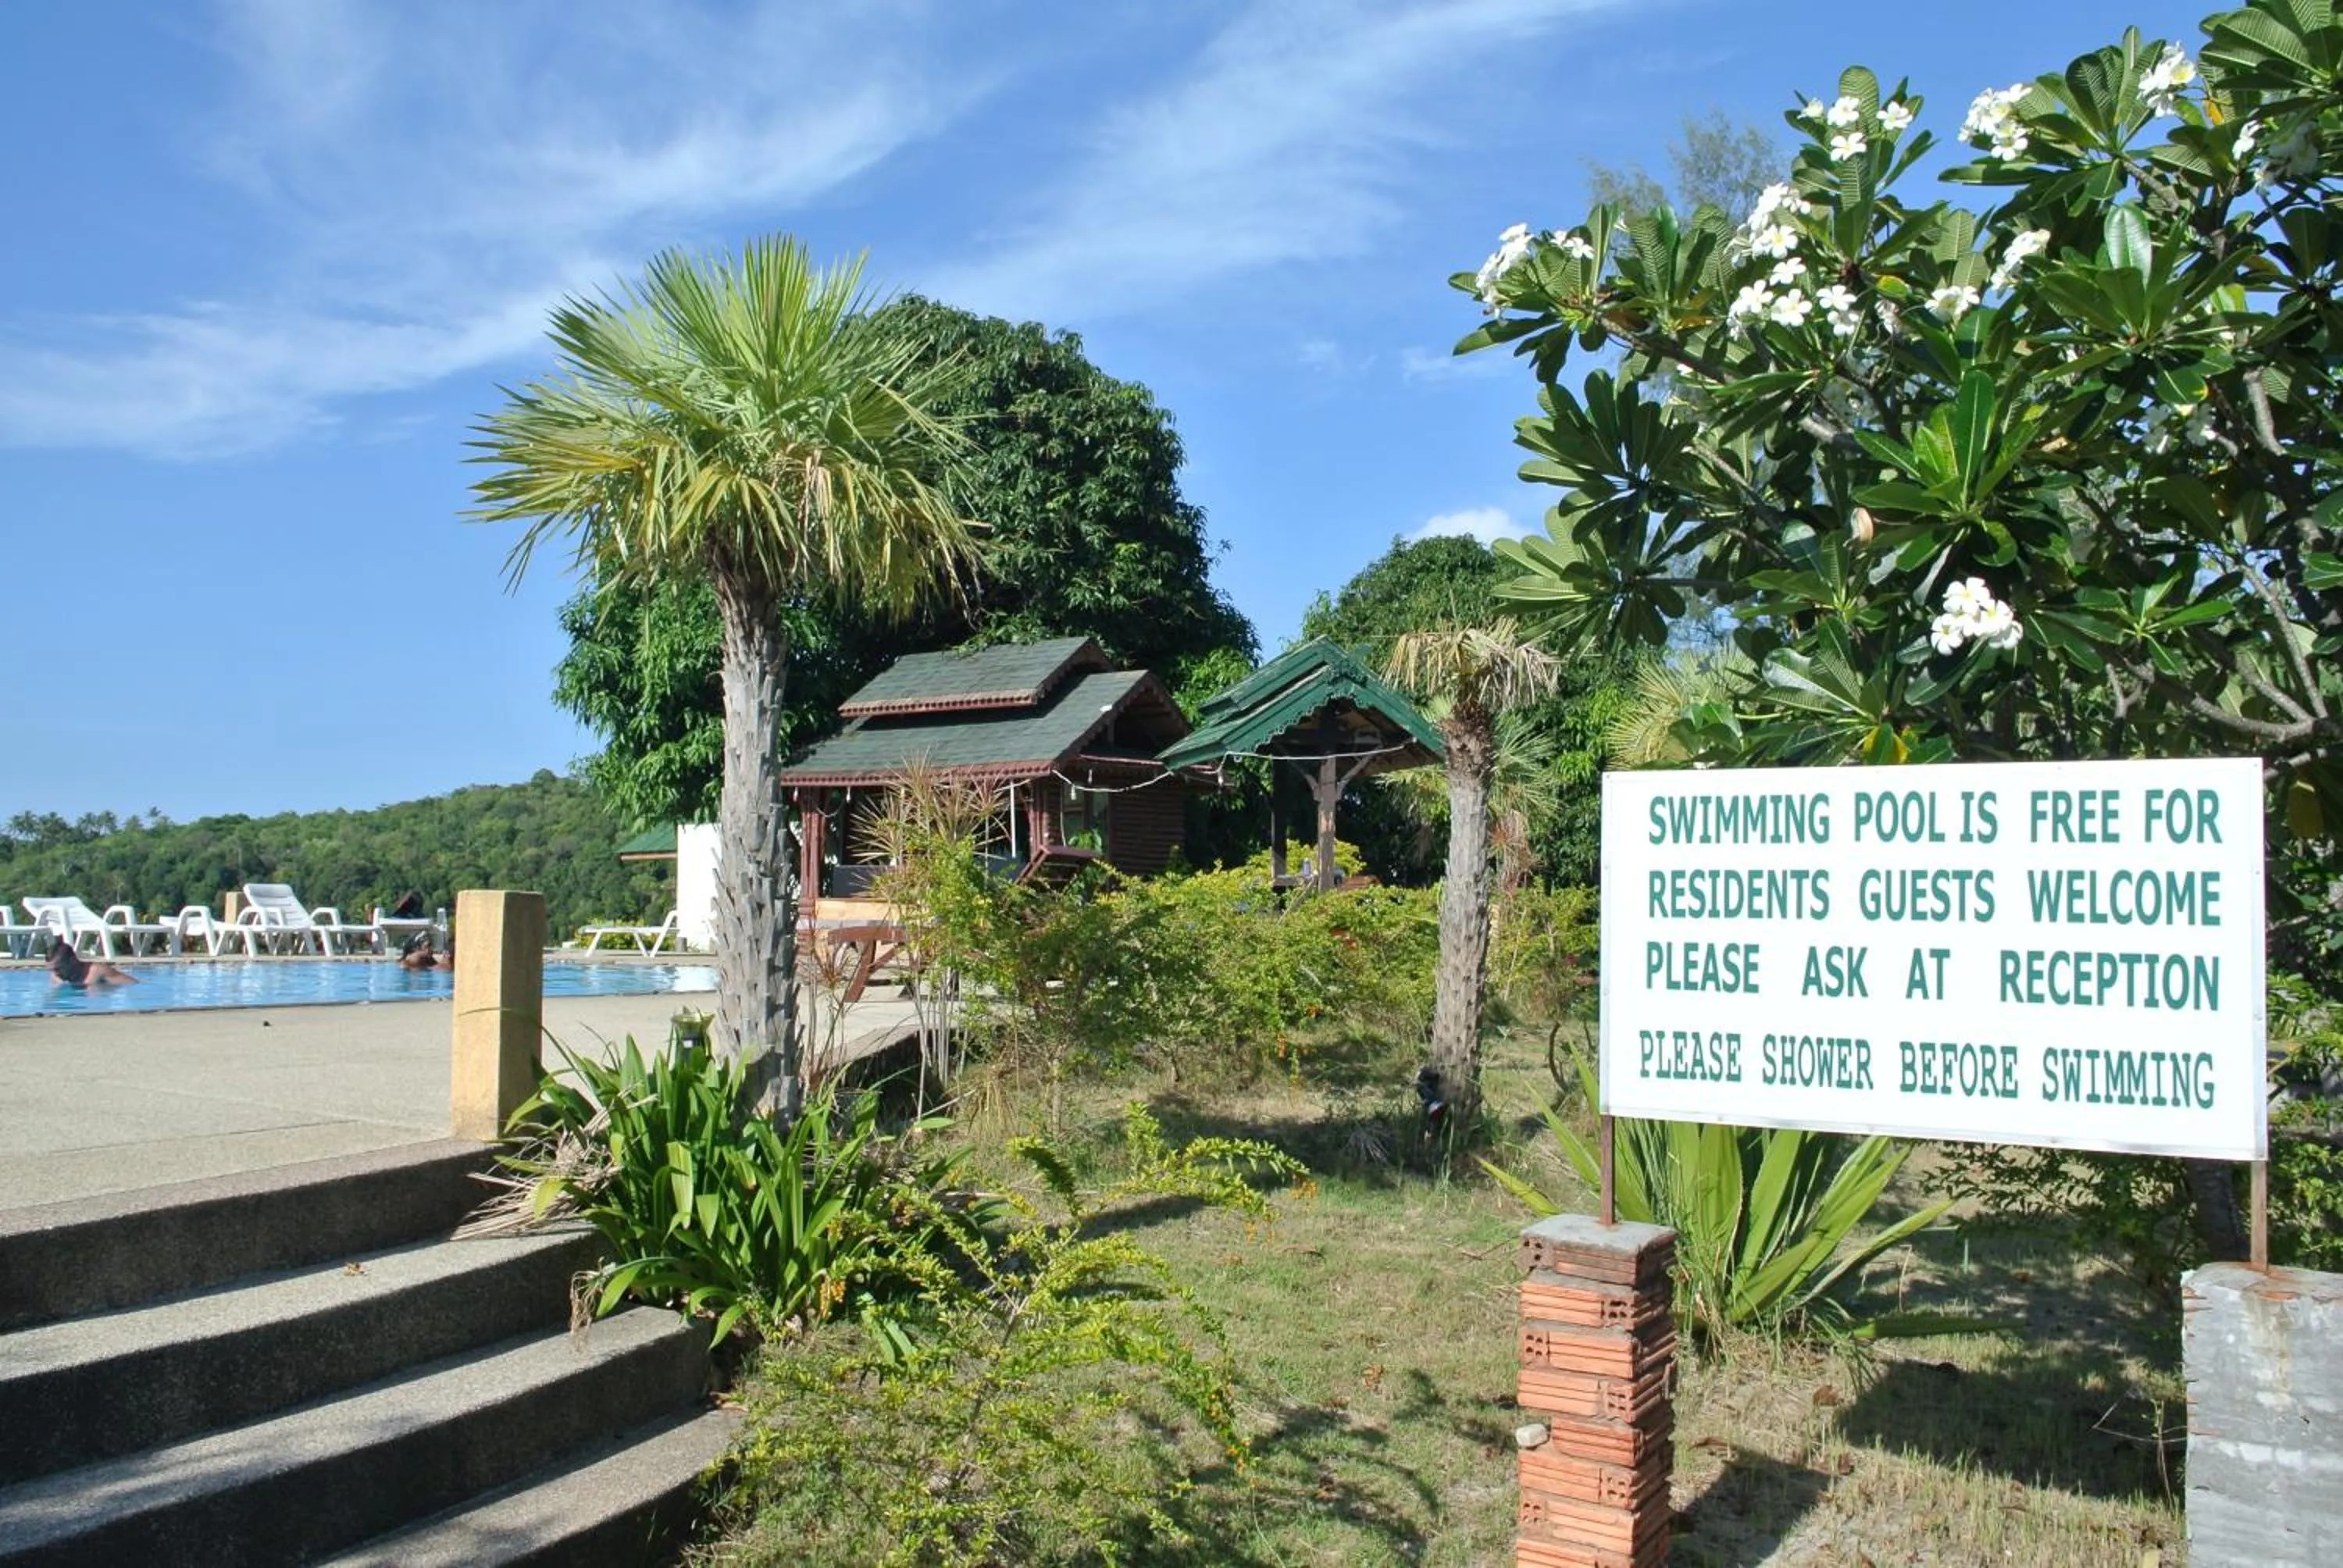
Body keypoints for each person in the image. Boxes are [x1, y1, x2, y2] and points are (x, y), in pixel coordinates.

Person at [49, 942, 137, 988]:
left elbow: (133, 984)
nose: (56, 973)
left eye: (58, 968)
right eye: (52, 969)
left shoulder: (97, 971)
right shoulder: (56, 976)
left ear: (73, 961)